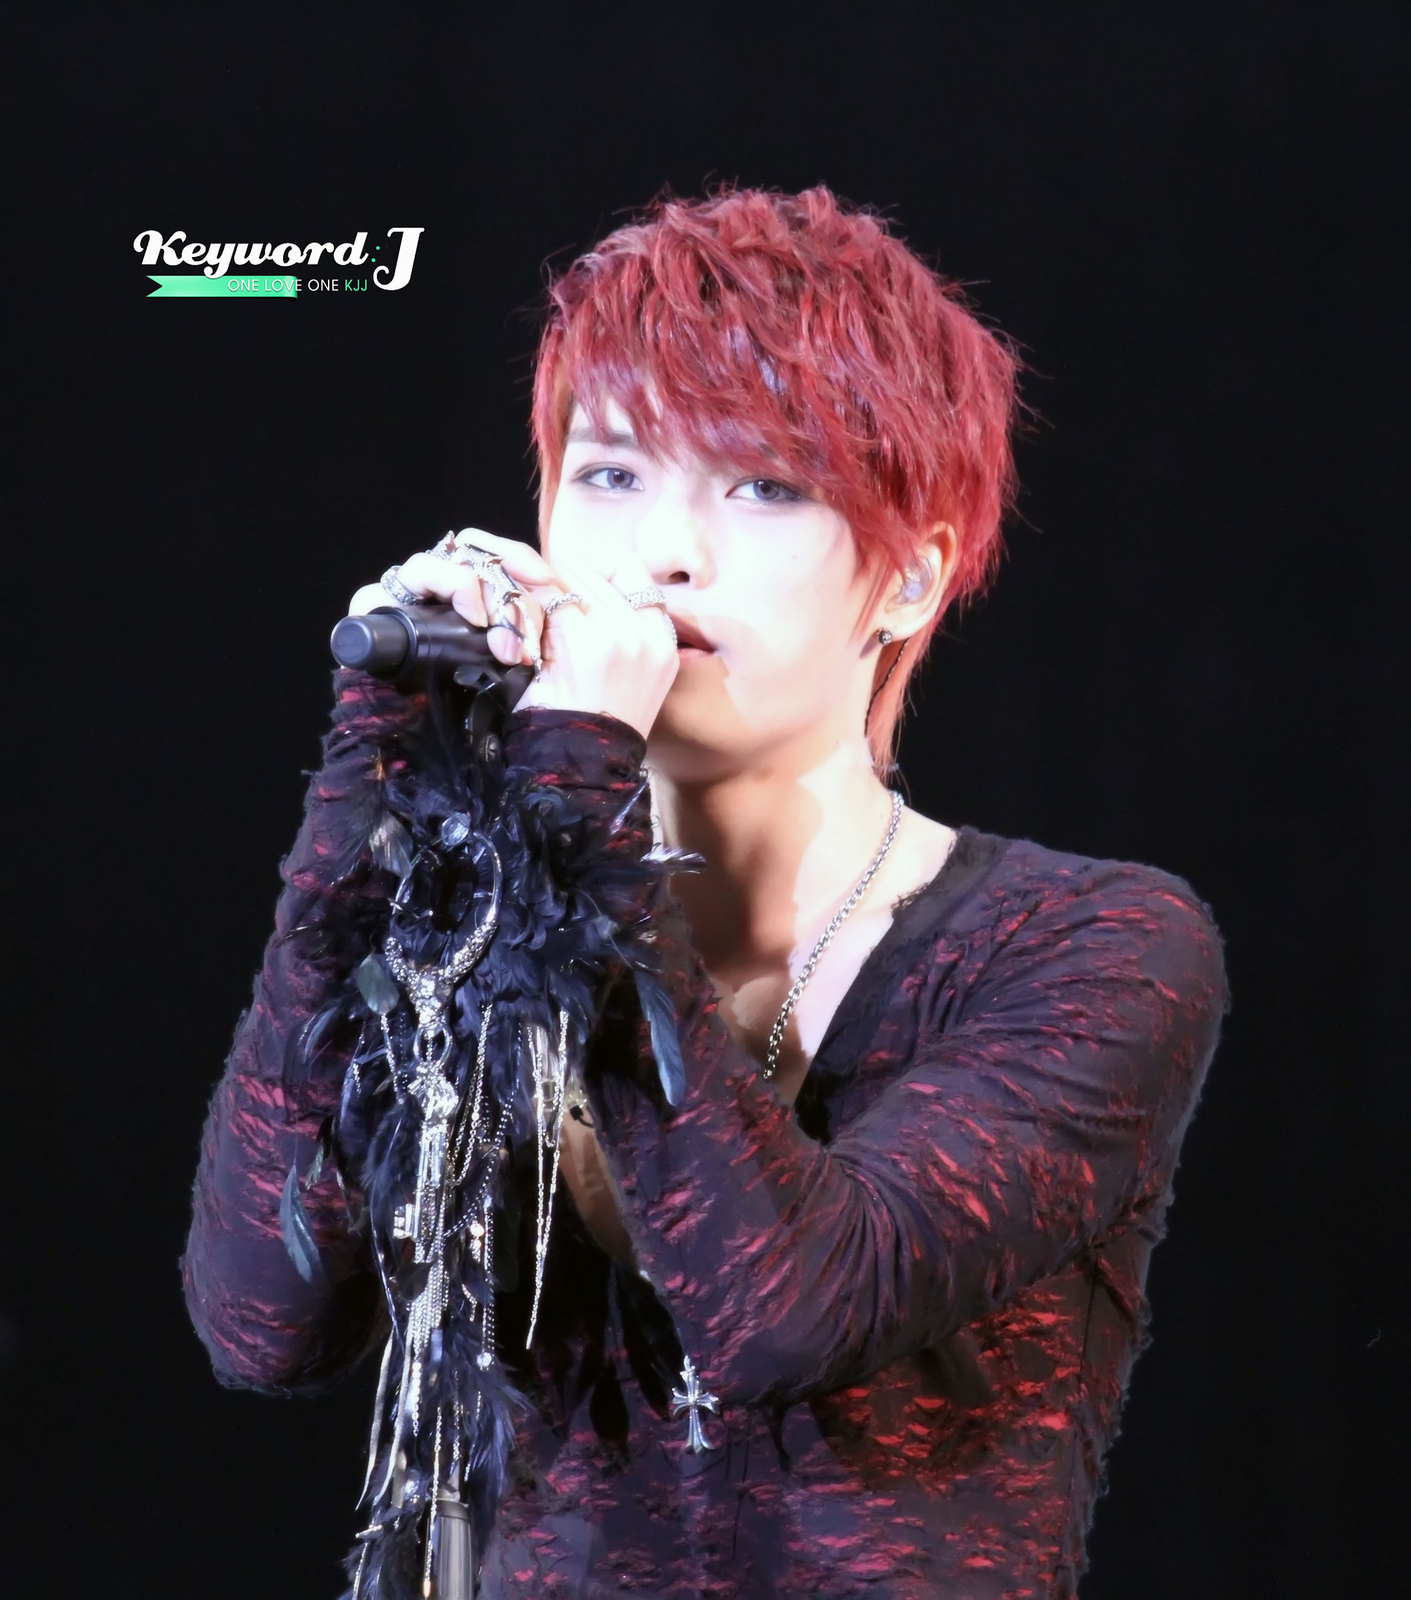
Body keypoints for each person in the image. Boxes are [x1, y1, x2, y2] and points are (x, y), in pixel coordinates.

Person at [183, 185, 1226, 1599]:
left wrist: (577, 796)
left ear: (910, 579)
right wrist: (369, 785)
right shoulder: (470, 935)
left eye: (765, 487)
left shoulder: (1093, 947)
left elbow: (780, 1313)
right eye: (612, 475)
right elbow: (262, 1323)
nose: (661, 555)